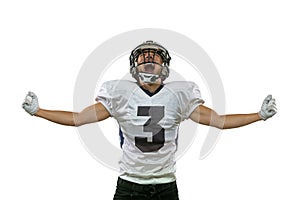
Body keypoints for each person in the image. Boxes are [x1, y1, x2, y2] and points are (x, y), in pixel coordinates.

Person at [22, 40, 277, 200]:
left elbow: (218, 120)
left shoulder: (179, 95)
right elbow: (78, 118)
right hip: (129, 185)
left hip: (166, 185)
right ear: (135, 65)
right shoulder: (119, 94)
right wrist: (39, 111)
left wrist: (259, 116)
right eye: (144, 55)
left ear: (164, 65)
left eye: (154, 55)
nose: (149, 58)